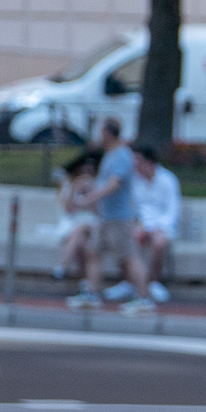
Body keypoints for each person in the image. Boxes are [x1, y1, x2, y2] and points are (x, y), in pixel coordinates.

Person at [68, 117, 151, 312]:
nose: (99, 135)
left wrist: (90, 198)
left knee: (129, 257)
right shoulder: (110, 155)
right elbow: (103, 182)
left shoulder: (122, 155)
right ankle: (93, 294)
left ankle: (143, 298)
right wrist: (87, 187)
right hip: (105, 217)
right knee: (93, 252)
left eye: (101, 131)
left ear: (108, 133)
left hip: (119, 218)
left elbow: (114, 184)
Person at [129, 143, 181, 305]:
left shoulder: (167, 180)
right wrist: (139, 225)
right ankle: (131, 282)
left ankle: (153, 282)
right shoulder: (135, 181)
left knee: (158, 242)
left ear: (149, 163)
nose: (135, 166)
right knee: (126, 238)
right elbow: (133, 208)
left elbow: (172, 211)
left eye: (139, 162)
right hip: (141, 224)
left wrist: (154, 228)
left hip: (162, 226)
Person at [48, 150, 101, 279]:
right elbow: (68, 210)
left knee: (81, 227)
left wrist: (92, 193)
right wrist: (75, 188)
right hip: (74, 222)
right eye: (84, 171)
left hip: (93, 223)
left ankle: (62, 267)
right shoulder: (70, 185)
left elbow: (98, 211)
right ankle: (85, 281)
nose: (86, 174)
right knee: (81, 243)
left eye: (90, 171)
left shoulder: (99, 186)